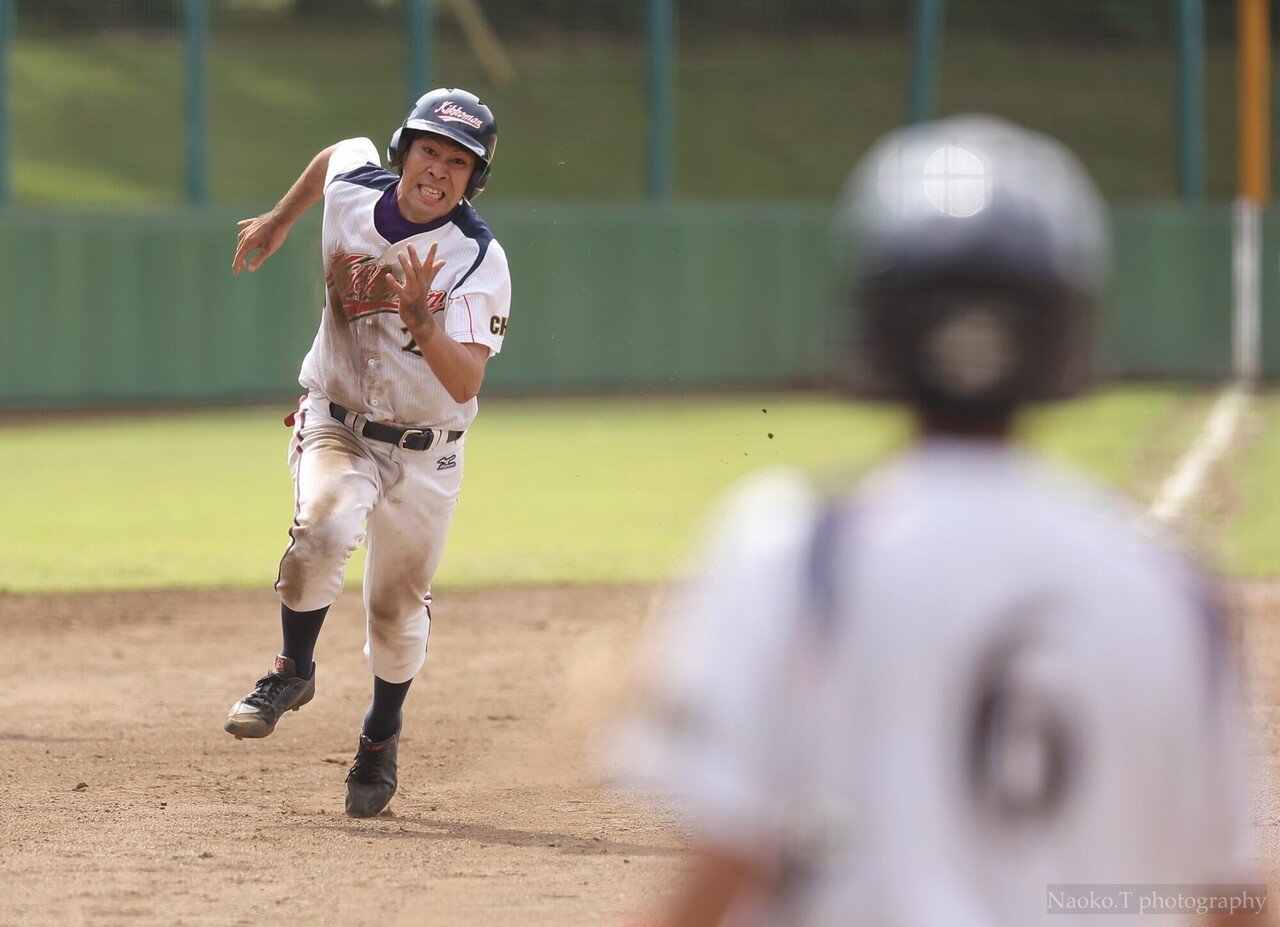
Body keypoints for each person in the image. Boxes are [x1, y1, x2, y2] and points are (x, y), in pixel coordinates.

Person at [613, 116, 1263, 926]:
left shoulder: (793, 550)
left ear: (875, 319)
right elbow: (1231, 895)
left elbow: (727, 866)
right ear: (1067, 325)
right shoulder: (1170, 590)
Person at [223, 88, 510, 819]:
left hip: (427, 450)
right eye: (429, 150)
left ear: (472, 180)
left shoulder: (476, 258)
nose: (438, 169)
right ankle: (292, 668)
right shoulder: (355, 186)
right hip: (338, 418)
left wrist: (426, 322)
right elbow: (332, 155)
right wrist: (283, 219)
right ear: (403, 152)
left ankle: (380, 736)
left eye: (457, 162)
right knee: (322, 524)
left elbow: (466, 379)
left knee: (395, 612)